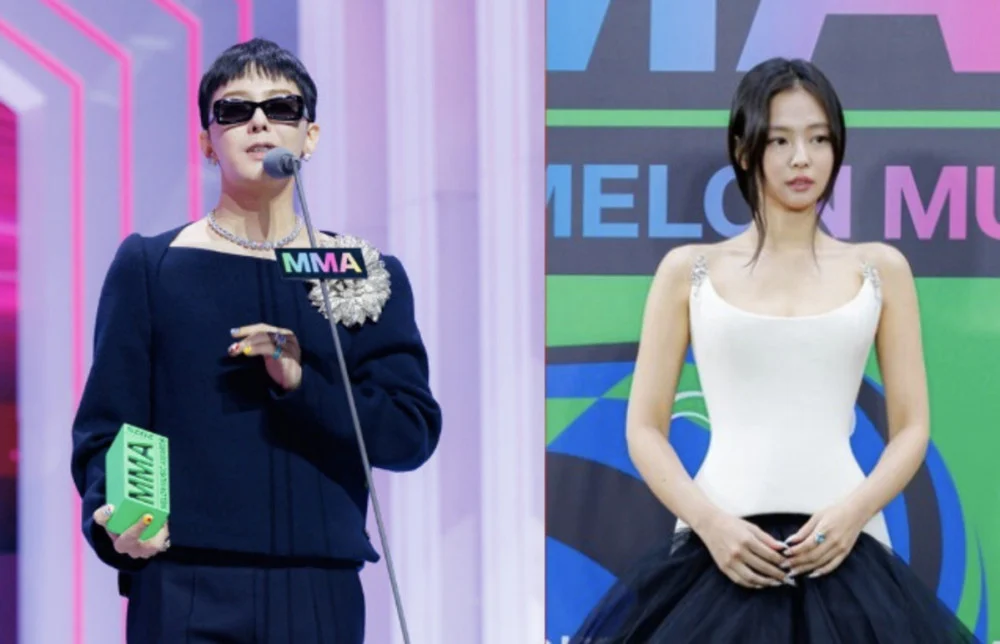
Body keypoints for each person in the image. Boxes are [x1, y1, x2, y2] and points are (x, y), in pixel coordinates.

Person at [571, 58, 977, 643]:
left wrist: (853, 513)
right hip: (718, 551)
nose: (801, 159)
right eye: (780, 140)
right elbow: (644, 429)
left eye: (818, 139)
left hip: (847, 549)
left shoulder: (880, 269)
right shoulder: (688, 271)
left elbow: (912, 427)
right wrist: (711, 524)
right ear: (744, 150)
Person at [70, 38, 442, 643]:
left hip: (317, 584)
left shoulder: (358, 270)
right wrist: (112, 516)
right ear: (206, 142)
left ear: (310, 137)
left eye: (282, 108)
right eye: (235, 110)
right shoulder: (153, 265)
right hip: (185, 581)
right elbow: (107, 427)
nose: (260, 122)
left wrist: (302, 384)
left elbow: (409, 433)